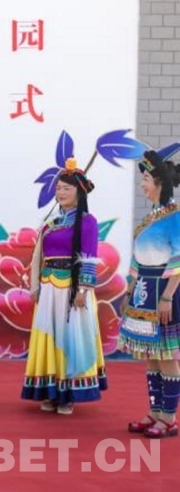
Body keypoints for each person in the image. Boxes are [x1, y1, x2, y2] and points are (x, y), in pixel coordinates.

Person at [22, 157, 106, 415]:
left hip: (71, 290)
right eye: (58, 188)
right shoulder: (50, 224)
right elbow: (38, 256)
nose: (60, 192)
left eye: (66, 188)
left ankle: (68, 394)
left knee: (71, 338)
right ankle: (50, 391)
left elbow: (89, 257)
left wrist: (83, 290)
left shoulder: (87, 222)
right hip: (49, 289)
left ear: (79, 192)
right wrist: (35, 286)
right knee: (50, 336)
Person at [121, 149, 180, 438]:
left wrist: (168, 296)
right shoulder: (151, 218)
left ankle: (169, 417)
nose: (142, 184)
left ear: (159, 183)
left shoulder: (175, 217)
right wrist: (129, 290)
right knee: (152, 356)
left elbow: (178, 260)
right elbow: (136, 259)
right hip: (144, 291)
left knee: (167, 355)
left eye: (145, 179)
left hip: (164, 291)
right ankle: (155, 412)